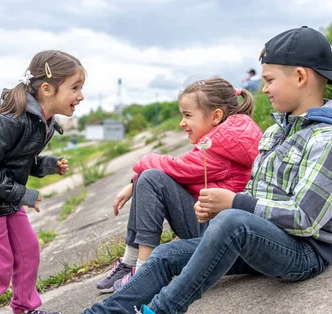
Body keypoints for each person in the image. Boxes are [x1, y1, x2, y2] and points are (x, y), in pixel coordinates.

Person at [84, 26, 332, 314]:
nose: (265, 88)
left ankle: (159, 310)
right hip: (263, 240)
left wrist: (233, 203)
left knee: (232, 220)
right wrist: (216, 207)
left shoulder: (329, 141)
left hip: (305, 253)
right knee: (165, 254)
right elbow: (256, 191)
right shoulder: (275, 132)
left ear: (299, 77)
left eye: (270, 80)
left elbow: (305, 219)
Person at [0, 50, 85, 314]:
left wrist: (48, 165)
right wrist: (21, 194)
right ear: (47, 89)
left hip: (3, 194)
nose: (81, 96)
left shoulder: (42, 120)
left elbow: (18, 160)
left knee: (28, 251)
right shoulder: (8, 121)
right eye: (75, 88)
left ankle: (25, 307)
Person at [96, 77, 262, 293]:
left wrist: (141, 167)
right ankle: (130, 263)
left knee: (151, 178)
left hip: (217, 229)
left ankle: (143, 270)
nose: (182, 123)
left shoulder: (219, 147)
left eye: (187, 115)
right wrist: (134, 182)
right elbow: (177, 175)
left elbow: (176, 168)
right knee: (148, 179)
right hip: (212, 222)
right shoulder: (227, 138)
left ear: (216, 116)